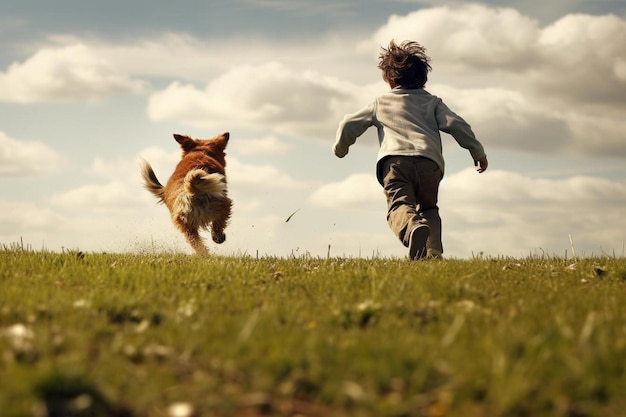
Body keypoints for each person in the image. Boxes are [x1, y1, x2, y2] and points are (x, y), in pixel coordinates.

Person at [333, 40, 488, 260]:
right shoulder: (433, 102)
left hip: (396, 163)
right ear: (423, 79)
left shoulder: (381, 102)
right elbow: (457, 124)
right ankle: (433, 253)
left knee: (400, 206)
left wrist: (341, 148)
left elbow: (348, 124)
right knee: (429, 208)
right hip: (429, 163)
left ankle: (412, 227)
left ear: (389, 80)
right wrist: (477, 152)